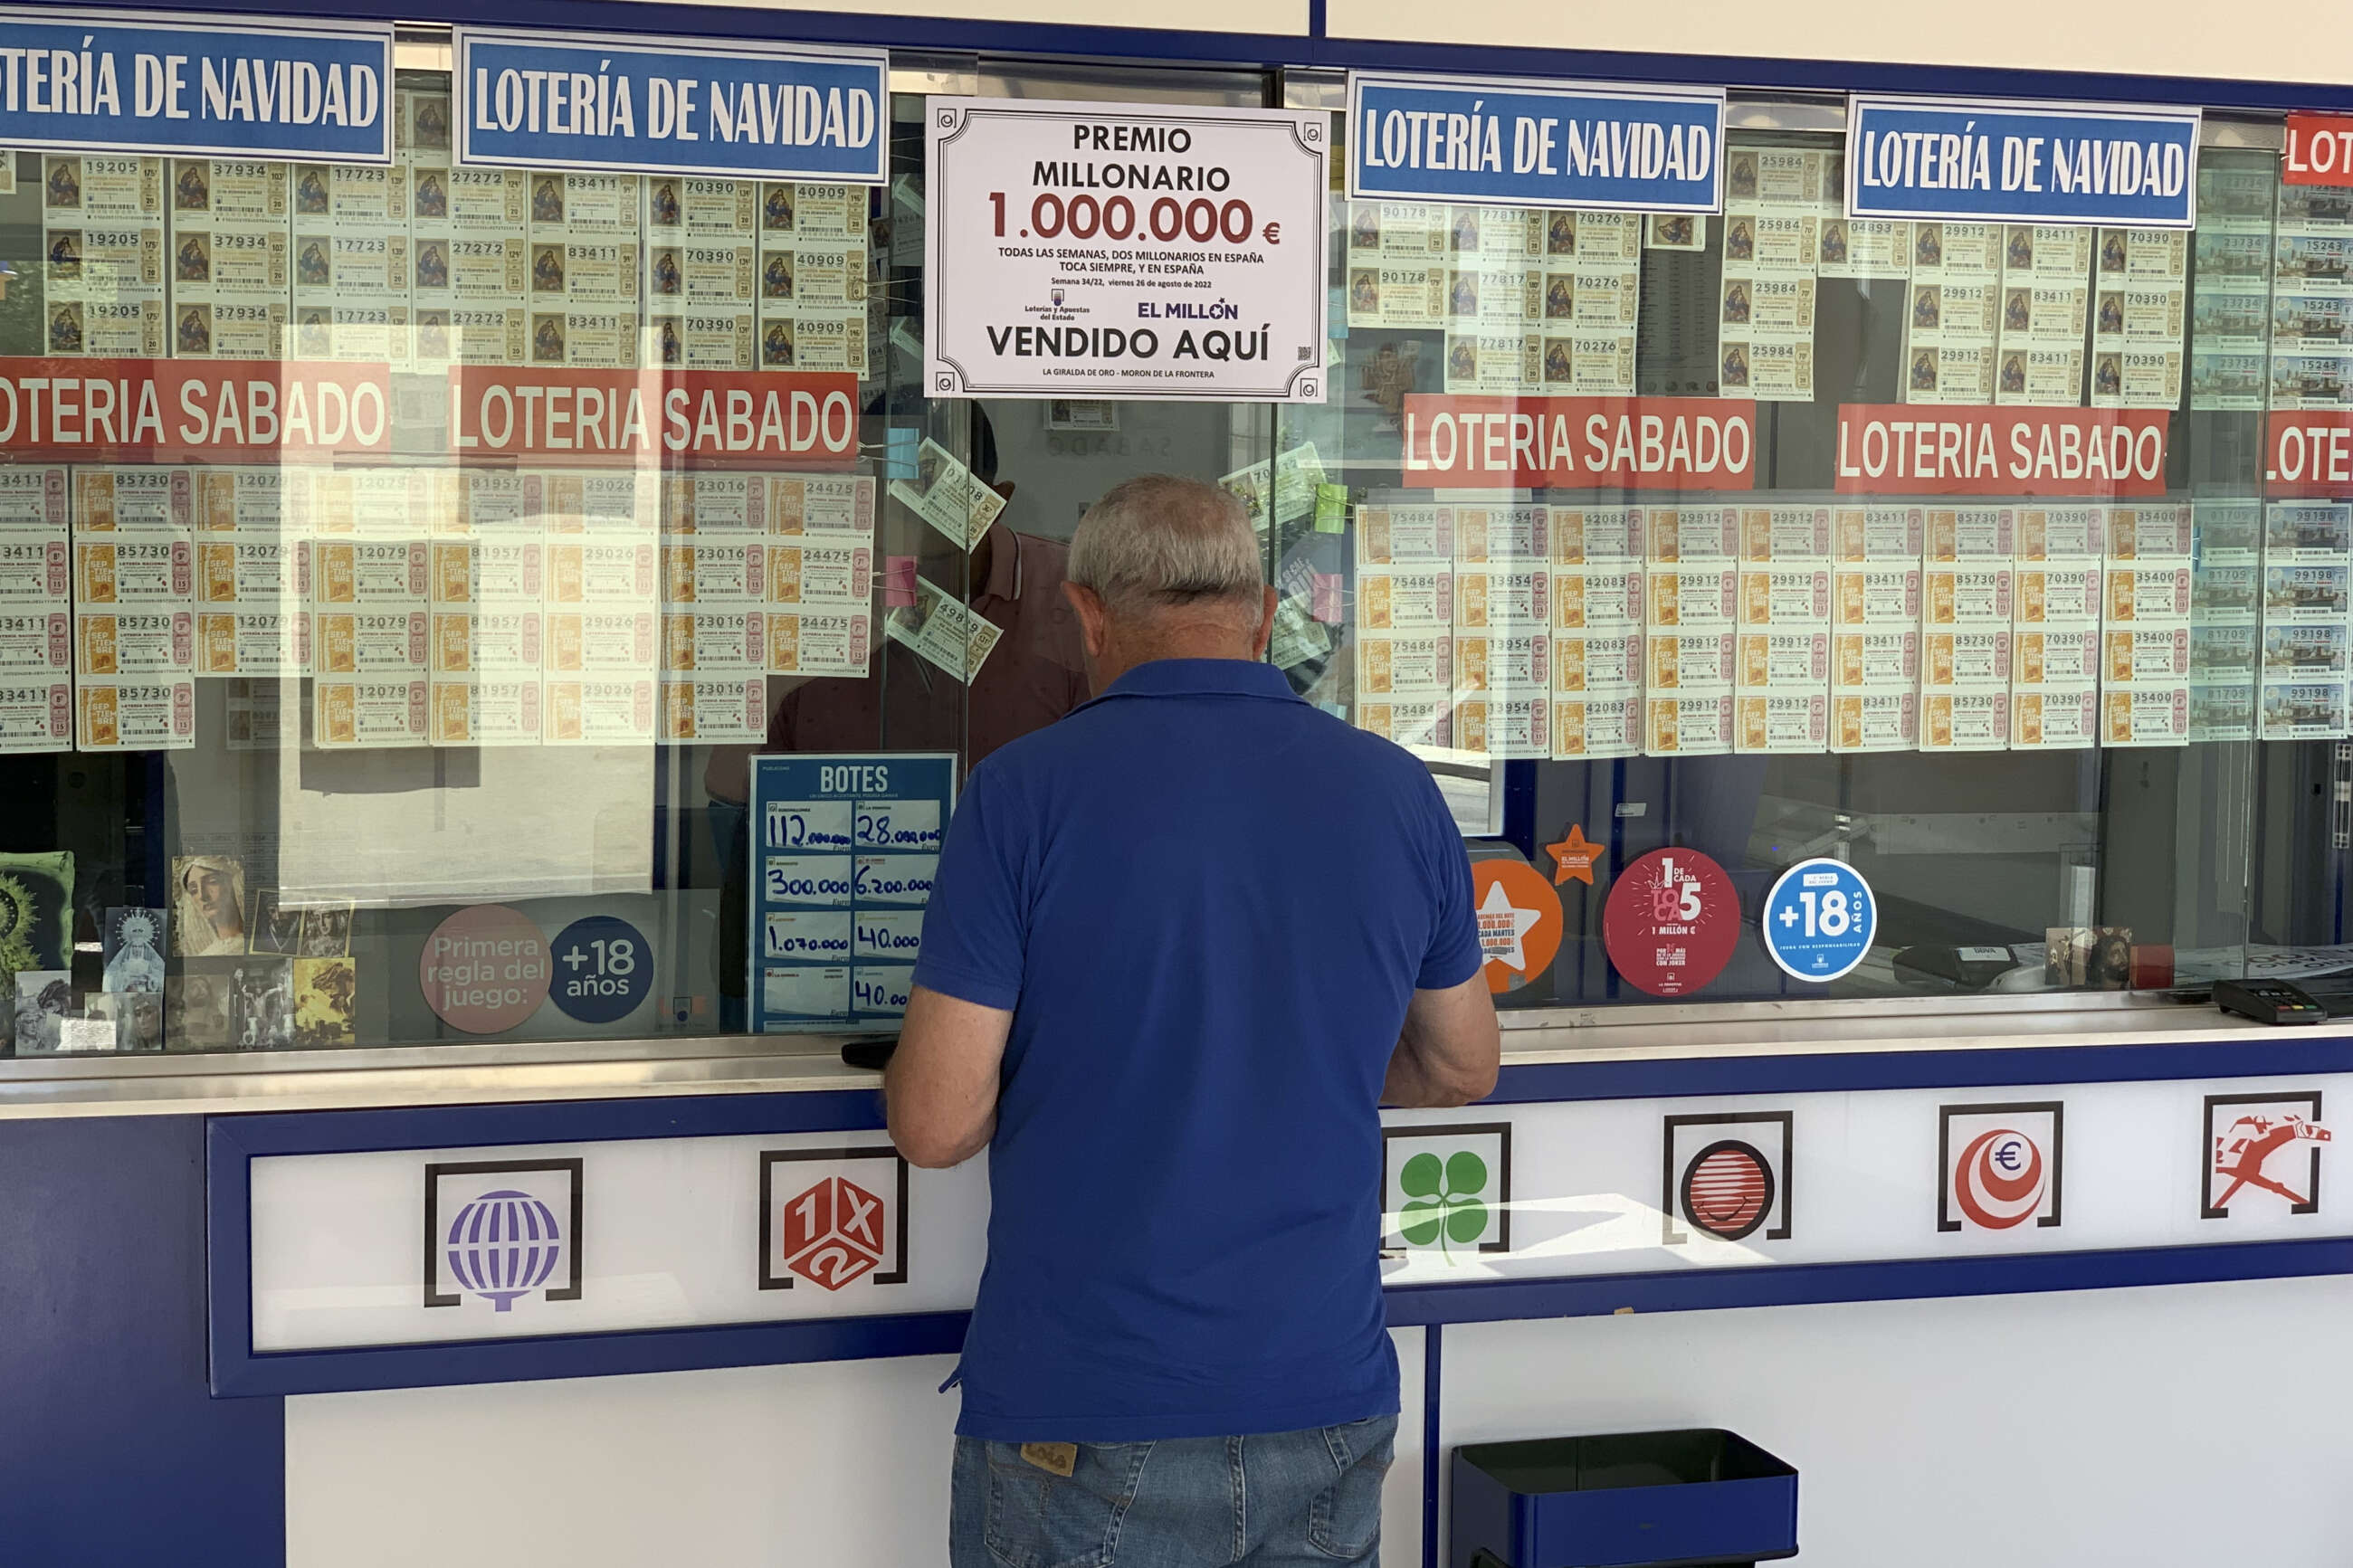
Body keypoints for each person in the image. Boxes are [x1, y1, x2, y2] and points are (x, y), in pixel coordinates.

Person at [886, 475, 1500, 1568]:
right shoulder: (1398, 793)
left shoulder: (1019, 796)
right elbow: (1460, 1065)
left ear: (1083, 613)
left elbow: (935, 1123)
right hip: (1324, 1393)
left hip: (1085, 1405)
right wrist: (1299, 1059)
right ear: (1264, 617)